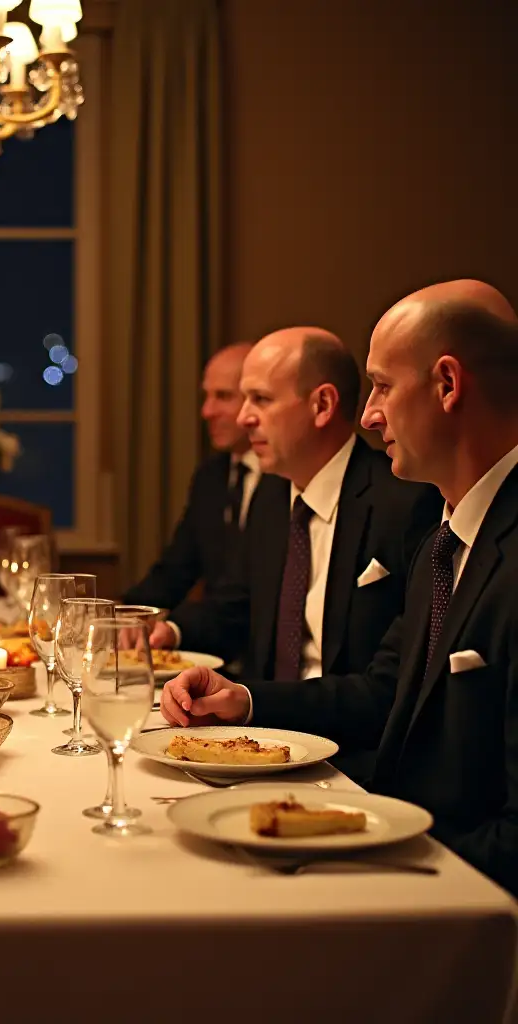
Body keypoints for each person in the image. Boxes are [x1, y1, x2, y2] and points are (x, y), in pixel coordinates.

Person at [161, 280, 518, 896]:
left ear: (448, 385)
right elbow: (387, 696)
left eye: (381, 385)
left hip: (451, 894)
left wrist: (373, 859)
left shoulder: (444, 526)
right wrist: (243, 700)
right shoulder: (446, 536)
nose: (370, 414)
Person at [156, 329, 441, 688]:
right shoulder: (272, 493)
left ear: (322, 405)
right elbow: (237, 607)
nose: (244, 418)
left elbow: (392, 682)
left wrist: (251, 702)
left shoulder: (404, 502)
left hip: (348, 732)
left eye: (260, 399)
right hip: (262, 730)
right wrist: (169, 630)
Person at [123, 342, 263, 610]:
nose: (207, 411)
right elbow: (175, 570)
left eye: (223, 396)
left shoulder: (290, 477)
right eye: (206, 397)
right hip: (211, 636)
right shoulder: (211, 476)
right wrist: (117, 613)